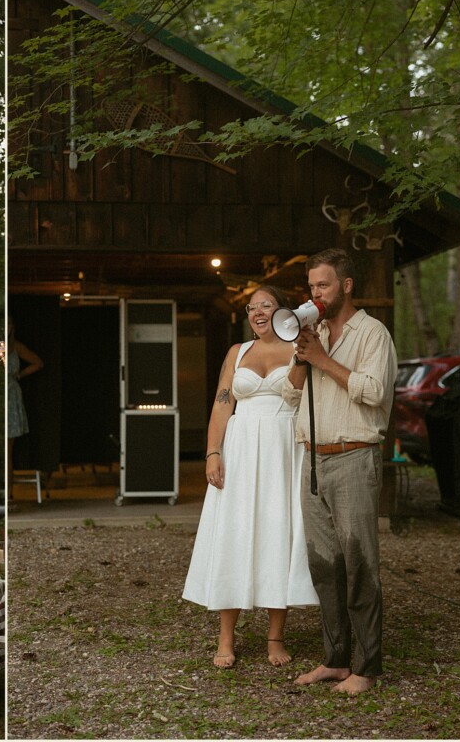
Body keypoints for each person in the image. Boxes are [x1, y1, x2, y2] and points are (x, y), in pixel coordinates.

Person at [183, 286, 318, 669]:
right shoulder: (237, 352)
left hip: (282, 446)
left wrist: (303, 353)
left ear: (283, 312)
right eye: (252, 307)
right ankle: (226, 637)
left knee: (279, 534)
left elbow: (296, 391)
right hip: (240, 448)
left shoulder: (299, 348)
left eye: (267, 306)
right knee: (235, 533)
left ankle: (275, 637)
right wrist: (213, 452)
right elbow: (223, 402)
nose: (258, 312)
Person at [282, 247, 396, 695]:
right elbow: (292, 396)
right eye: (311, 287)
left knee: (360, 564)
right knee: (325, 566)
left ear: (345, 286)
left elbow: (372, 390)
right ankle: (335, 660)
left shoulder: (373, 333)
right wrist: (301, 355)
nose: (315, 293)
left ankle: (366, 669)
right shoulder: (313, 335)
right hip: (314, 456)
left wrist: (323, 360)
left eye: (323, 285)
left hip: (353, 456)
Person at [7, 316, 44, 479]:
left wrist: (19, 375)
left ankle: (9, 496)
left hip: (12, 394)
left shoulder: (16, 347)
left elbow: (38, 363)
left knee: (9, 450)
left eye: (8, 323)